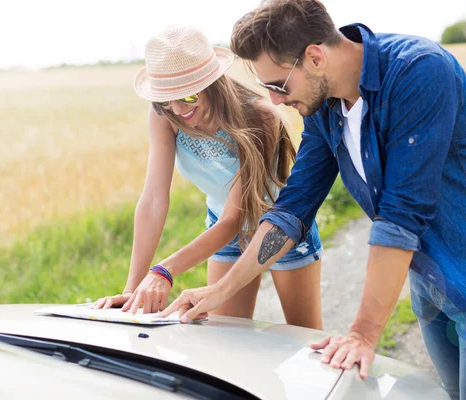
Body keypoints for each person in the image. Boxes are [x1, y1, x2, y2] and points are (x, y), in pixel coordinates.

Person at [161, 1, 466, 399]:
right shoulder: (323, 106)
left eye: (277, 86)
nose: (273, 101)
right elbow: (292, 208)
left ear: (315, 57)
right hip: (427, 274)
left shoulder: (421, 71)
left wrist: (362, 334)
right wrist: (220, 292)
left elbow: (402, 214)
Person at [92, 24, 324, 330]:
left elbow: (234, 219)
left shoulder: (259, 116)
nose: (176, 109)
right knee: (225, 339)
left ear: (211, 82)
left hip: (279, 229)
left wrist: (164, 270)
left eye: (187, 97)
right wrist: (131, 290)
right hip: (220, 227)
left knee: (304, 338)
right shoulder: (165, 116)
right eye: (165, 99)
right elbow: (153, 200)